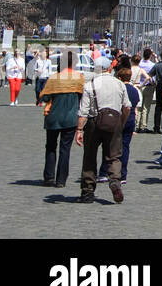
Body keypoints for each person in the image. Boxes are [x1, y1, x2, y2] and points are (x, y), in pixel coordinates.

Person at [75, 57, 131, 204]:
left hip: (94, 122)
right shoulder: (119, 84)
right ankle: (115, 181)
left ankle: (87, 191)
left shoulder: (90, 85)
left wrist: (79, 130)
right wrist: (122, 122)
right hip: (114, 120)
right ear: (109, 68)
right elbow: (127, 107)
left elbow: (83, 111)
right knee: (114, 156)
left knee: (89, 156)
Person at [40, 52, 83, 188]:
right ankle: (61, 180)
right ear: (75, 63)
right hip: (70, 118)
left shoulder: (54, 78)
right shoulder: (79, 78)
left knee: (51, 147)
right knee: (65, 149)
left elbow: (45, 98)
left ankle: (49, 177)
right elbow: (83, 99)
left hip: (53, 117)